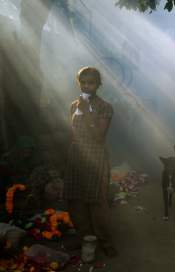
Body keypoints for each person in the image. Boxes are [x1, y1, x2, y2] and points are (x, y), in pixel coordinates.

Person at [64, 67, 117, 257]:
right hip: (77, 156)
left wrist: (86, 112)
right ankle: (85, 238)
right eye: (83, 82)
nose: (86, 86)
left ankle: (105, 242)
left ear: (98, 84)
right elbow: (73, 133)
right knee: (76, 200)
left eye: (91, 82)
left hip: (95, 157)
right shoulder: (73, 106)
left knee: (97, 202)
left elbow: (98, 137)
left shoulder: (105, 107)